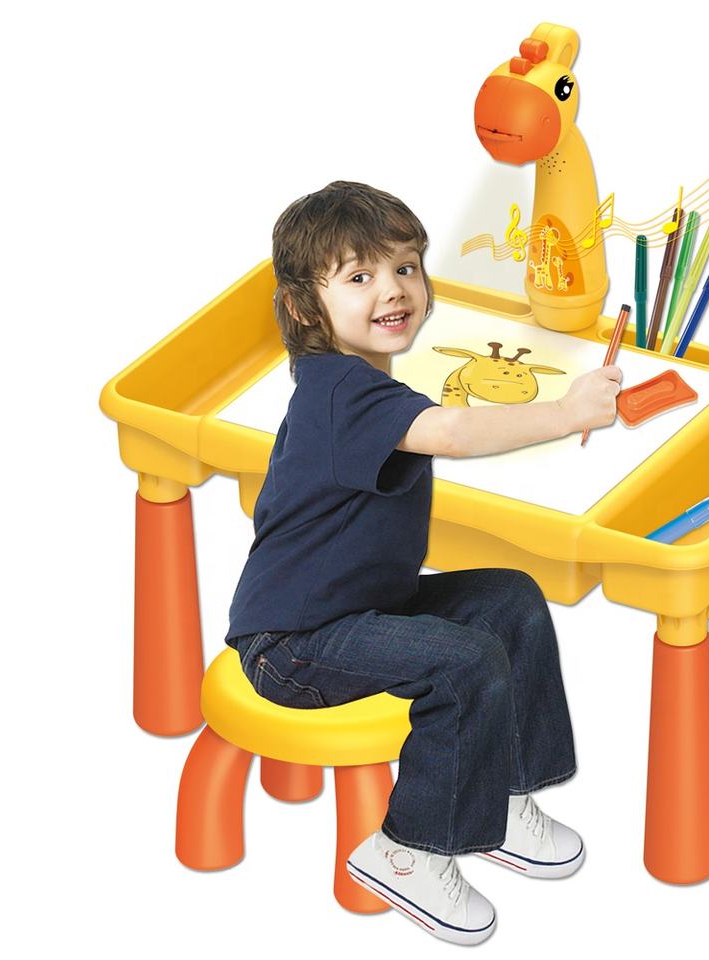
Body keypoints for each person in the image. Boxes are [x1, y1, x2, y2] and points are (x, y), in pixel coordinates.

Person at [225, 181, 621, 945]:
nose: (393, 290)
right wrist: (566, 412)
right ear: (304, 308)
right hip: (293, 644)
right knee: (464, 660)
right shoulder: (342, 393)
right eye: (360, 276)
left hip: (366, 608)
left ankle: (503, 798)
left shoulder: (364, 382)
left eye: (405, 268)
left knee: (510, 599)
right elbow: (453, 433)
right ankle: (407, 849)